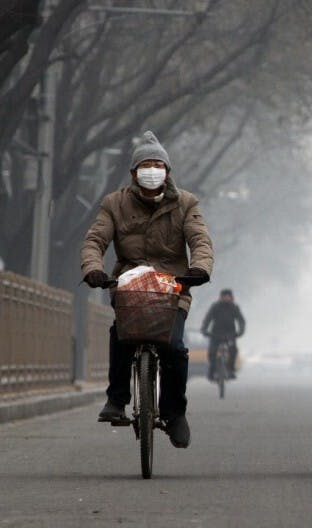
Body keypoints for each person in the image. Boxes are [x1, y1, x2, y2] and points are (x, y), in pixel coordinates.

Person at [81, 130, 213, 449]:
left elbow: (200, 240)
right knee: (121, 336)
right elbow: (95, 240)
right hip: (129, 286)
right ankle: (116, 400)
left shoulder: (186, 203)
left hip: (172, 288)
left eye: (158, 165)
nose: (152, 171)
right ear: (133, 173)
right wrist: (93, 269)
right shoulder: (114, 203)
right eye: (146, 165)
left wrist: (200, 269)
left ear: (167, 172)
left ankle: (174, 413)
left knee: (176, 348)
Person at [201, 289, 246, 380]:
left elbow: (241, 320)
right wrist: (204, 329)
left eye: (228, 296)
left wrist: (240, 331)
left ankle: (230, 370)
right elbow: (208, 319)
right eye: (224, 296)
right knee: (212, 352)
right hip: (215, 334)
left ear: (231, 297)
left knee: (233, 350)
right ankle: (212, 370)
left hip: (230, 334)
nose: (226, 298)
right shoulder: (215, 307)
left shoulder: (234, 307)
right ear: (220, 297)